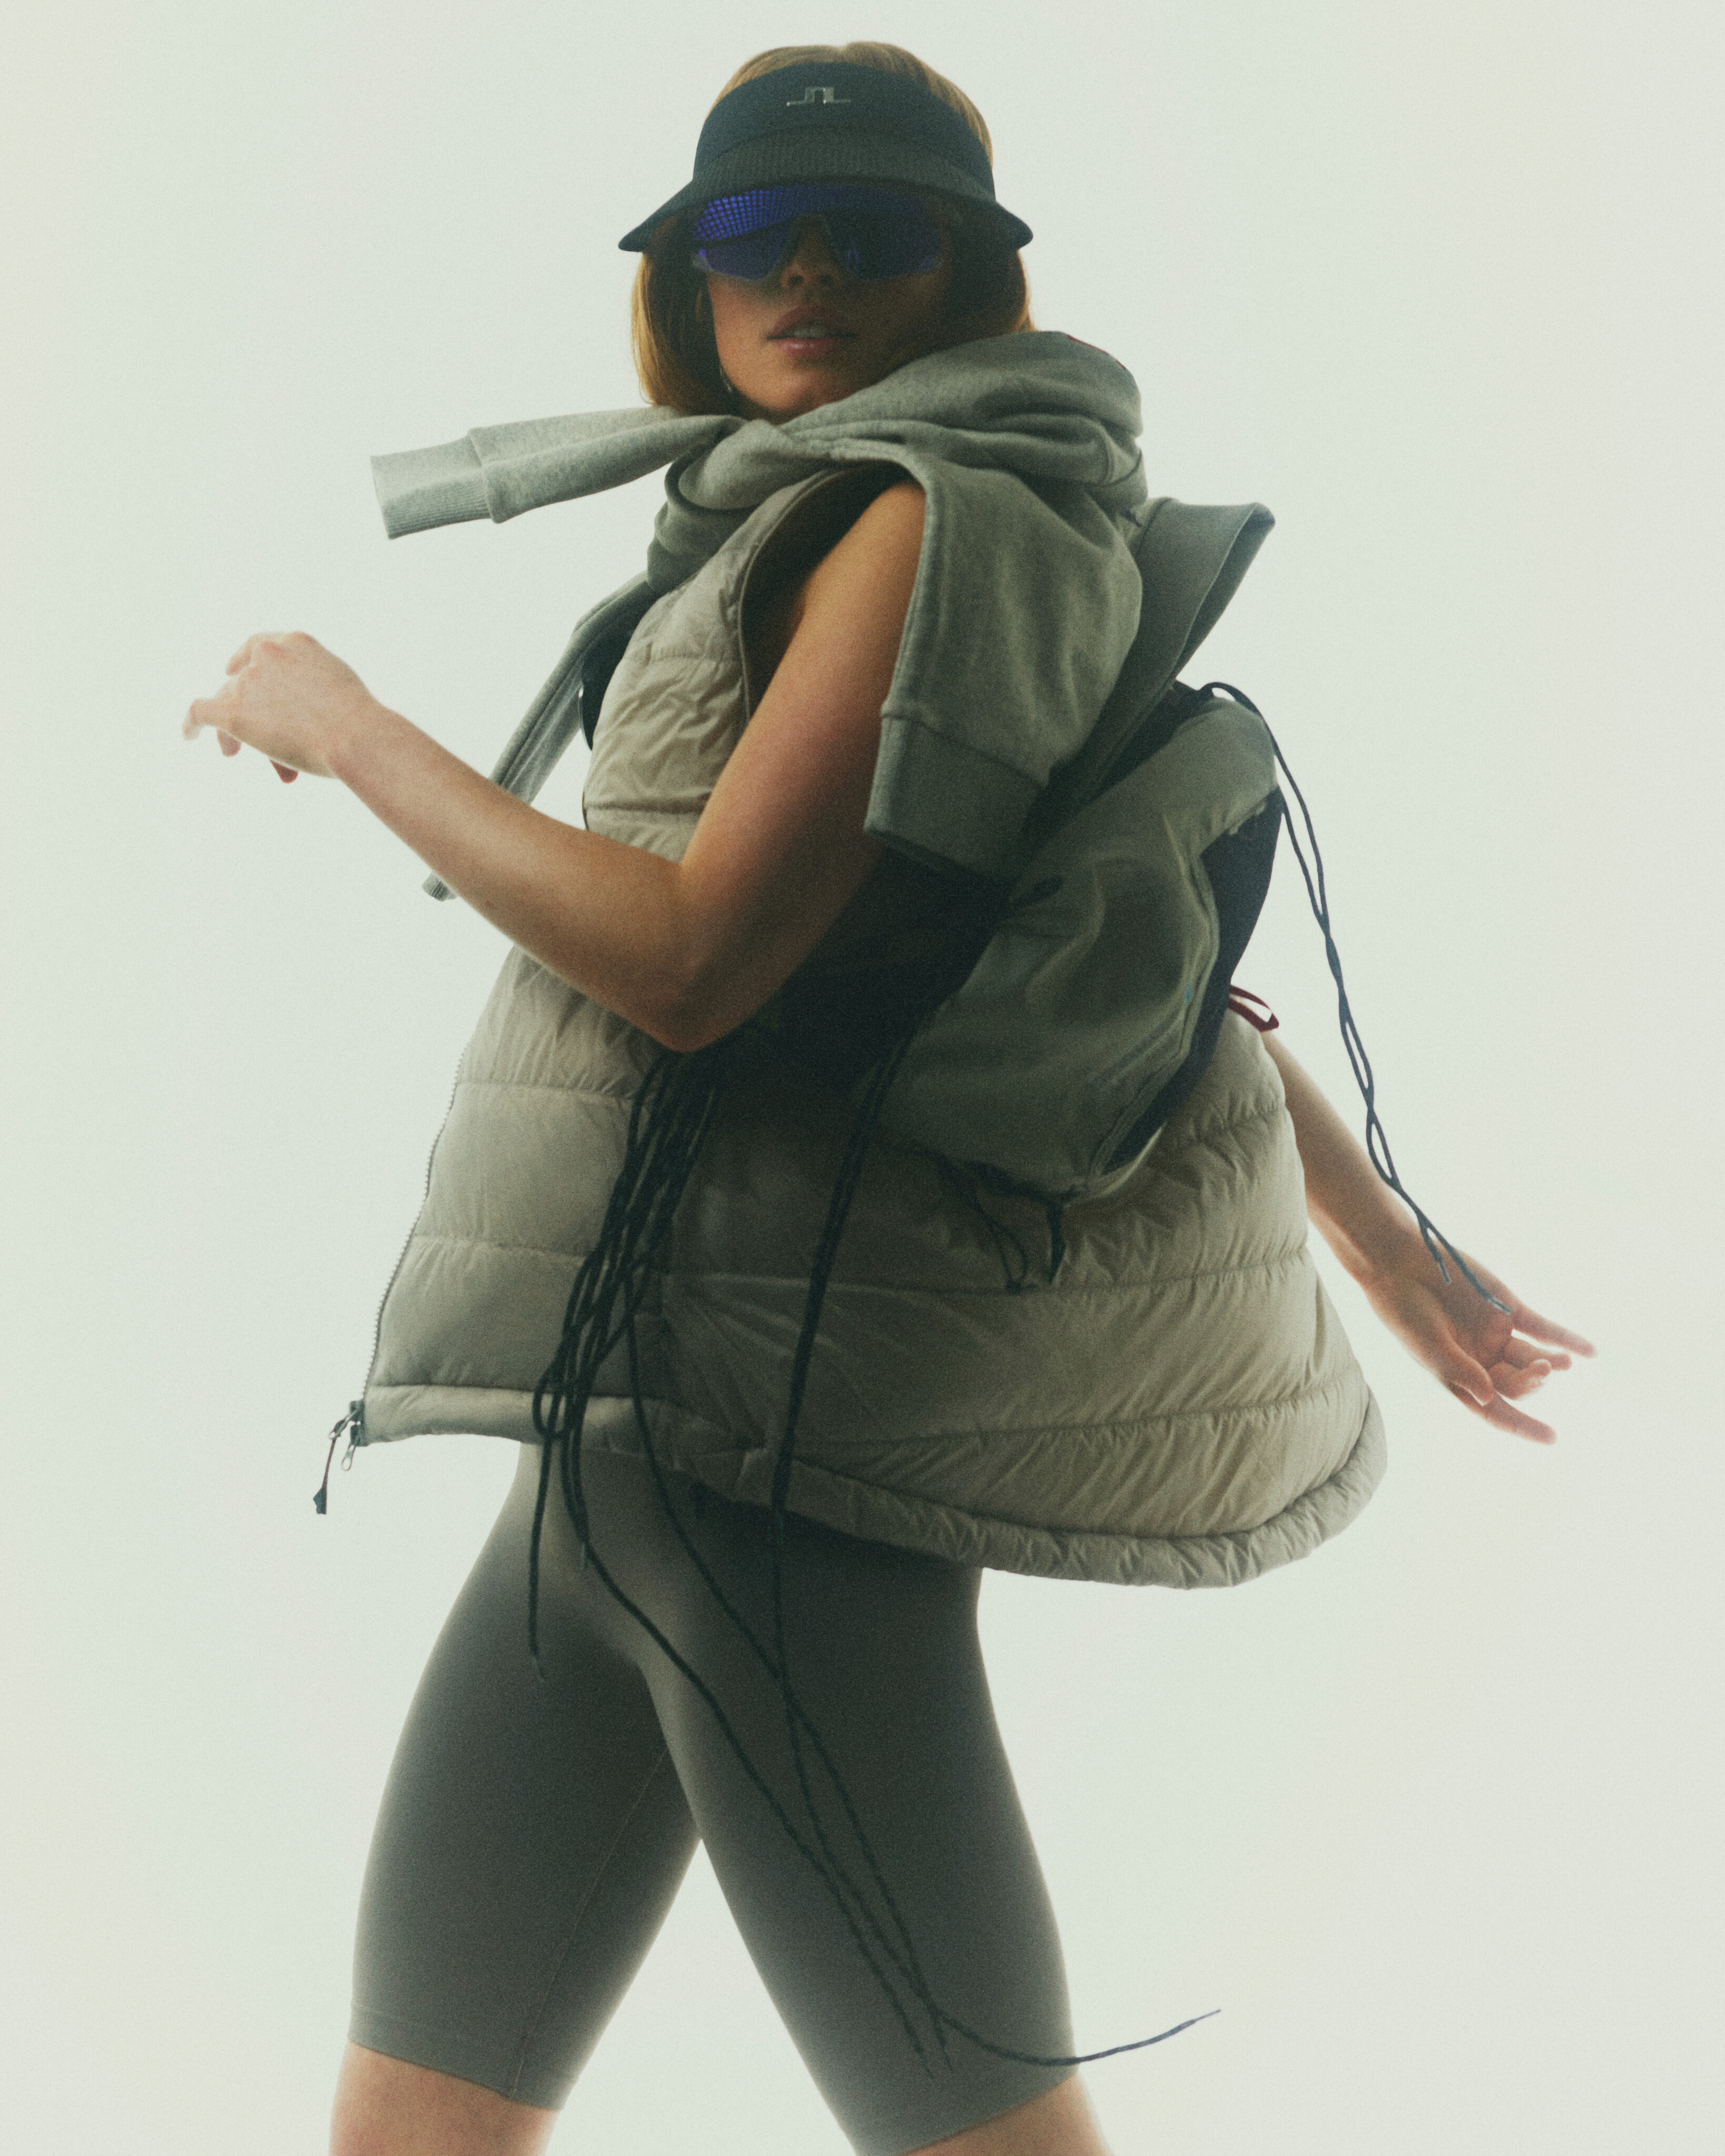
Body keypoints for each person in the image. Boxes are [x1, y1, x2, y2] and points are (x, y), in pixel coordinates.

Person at [184, 42, 1594, 2156]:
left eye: (877, 232)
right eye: (754, 231)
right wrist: (1385, 1243)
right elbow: (1082, 926)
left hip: (774, 1464)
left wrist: (354, 728)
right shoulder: (843, 506)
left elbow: (695, 962)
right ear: (686, 276)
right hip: (624, 1447)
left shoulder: (932, 518)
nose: (809, 273)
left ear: (973, 275)